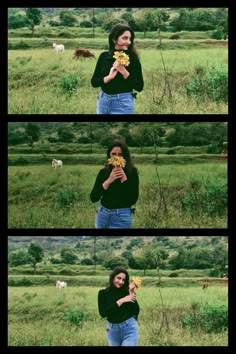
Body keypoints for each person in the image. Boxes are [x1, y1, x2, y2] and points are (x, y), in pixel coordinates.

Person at [91, 23, 144, 114]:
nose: (129, 42)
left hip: (123, 102)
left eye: (130, 39)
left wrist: (123, 71)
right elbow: (94, 82)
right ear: (114, 39)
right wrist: (109, 78)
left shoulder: (133, 58)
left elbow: (139, 86)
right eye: (125, 38)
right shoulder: (104, 56)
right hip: (103, 101)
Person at [90, 139, 139, 228]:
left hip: (122, 216)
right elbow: (93, 197)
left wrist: (124, 179)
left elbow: (133, 200)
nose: (116, 157)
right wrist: (108, 181)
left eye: (120, 154)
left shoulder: (132, 173)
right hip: (103, 214)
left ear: (125, 157)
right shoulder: (103, 172)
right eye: (113, 154)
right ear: (109, 155)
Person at [98, 266, 140, 346]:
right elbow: (103, 313)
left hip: (129, 328)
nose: (121, 282)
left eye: (123, 280)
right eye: (118, 278)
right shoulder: (103, 293)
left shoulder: (126, 292)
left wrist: (131, 292)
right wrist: (120, 301)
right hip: (112, 330)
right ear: (113, 277)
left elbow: (136, 311)